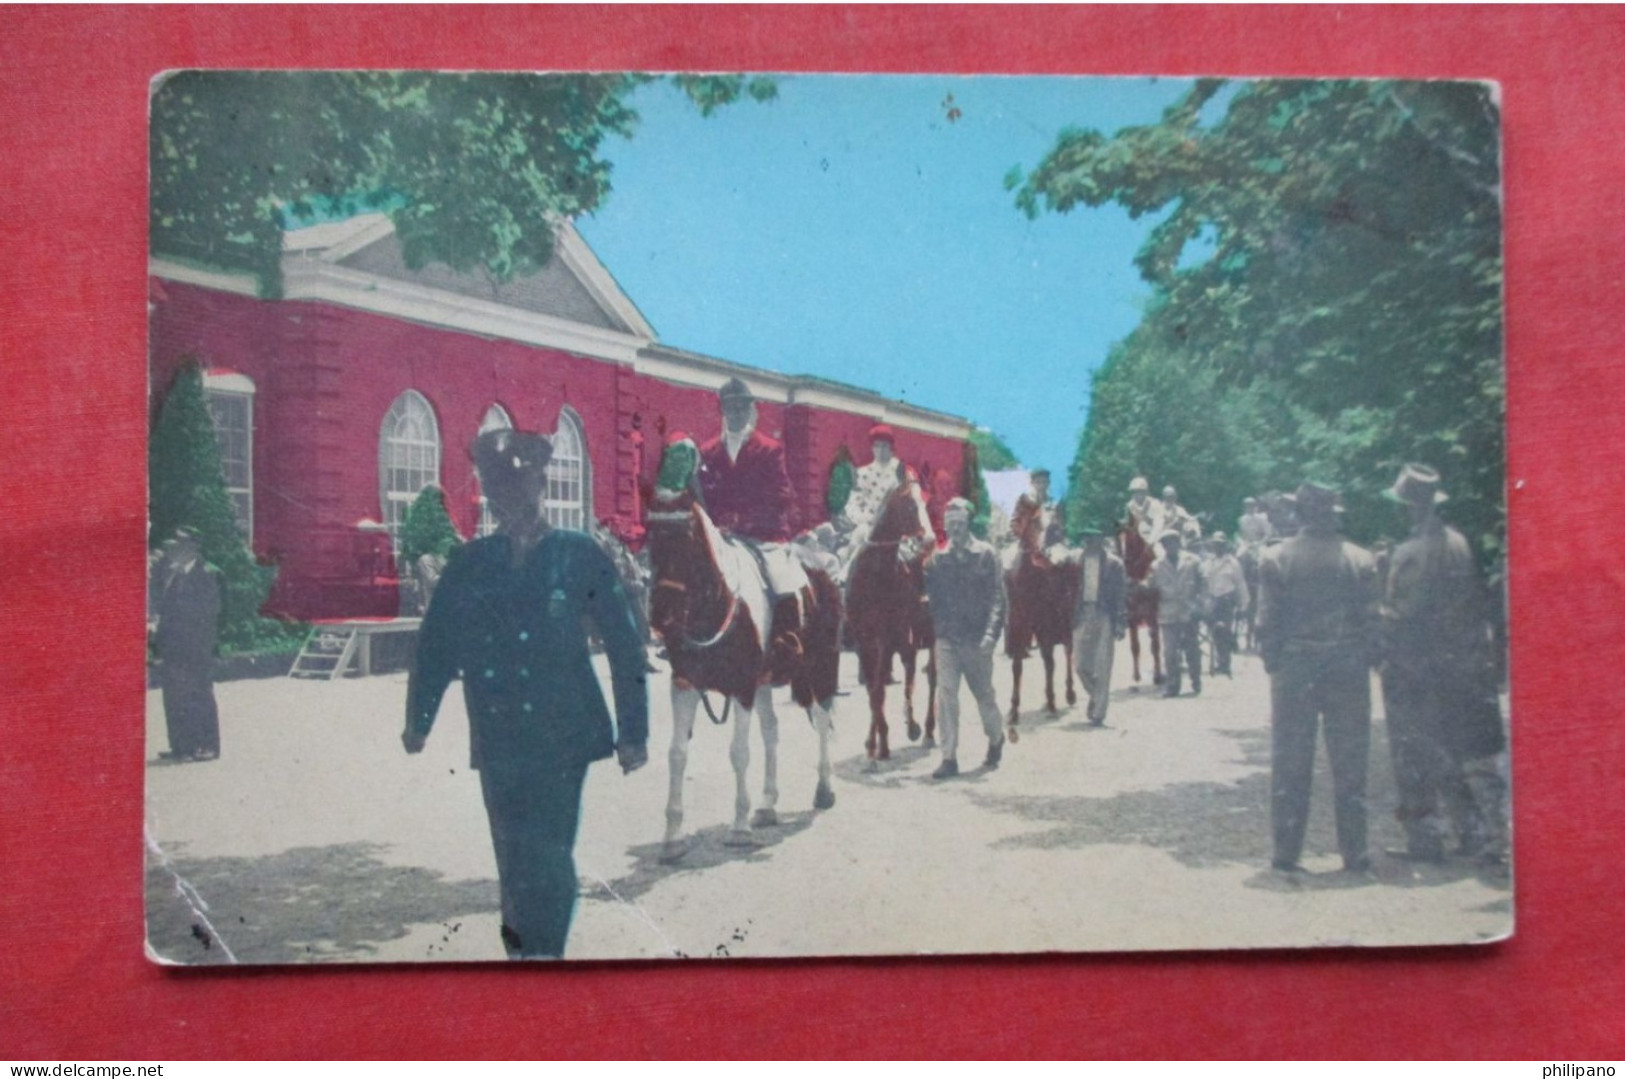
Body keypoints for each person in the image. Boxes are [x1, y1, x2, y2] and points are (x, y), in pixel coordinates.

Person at [404, 428, 649, 960]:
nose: (509, 501)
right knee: (511, 856)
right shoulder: (471, 563)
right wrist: (419, 718)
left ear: (540, 485)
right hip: (497, 734)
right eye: (499, 492)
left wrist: (634, 733)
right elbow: (436, 643)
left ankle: (544, 959)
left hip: (564, 734)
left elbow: (625, 645)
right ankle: (522, 956)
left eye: (520, 489)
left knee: (550, 853)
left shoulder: (579, 555)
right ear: (490, 497)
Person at [1380, 464, 1507, 864]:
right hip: (1459, 663)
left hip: (1416, 666)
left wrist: (1375, 610)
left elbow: (1405, 614)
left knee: (1413, 755)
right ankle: (1471, 834)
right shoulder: (1458, 542)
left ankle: (1425, 841)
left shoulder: (1410, 552)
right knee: (1455, 750)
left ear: (1408, 507)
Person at [1256, 481, 1381, 875]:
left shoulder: (1275, 557)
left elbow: (1267, 623)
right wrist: (1364, 658)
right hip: (1347, 665)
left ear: (1299, 513)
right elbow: (1372, 621)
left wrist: (1275, 662)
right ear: (1333, 512)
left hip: (1295, 668)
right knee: (1350, 761)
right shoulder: (1362, 559)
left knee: (1291, 760)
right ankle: (1355, 852)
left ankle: (1287, 852)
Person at [923, 498, 1007, 779]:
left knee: (984, 697)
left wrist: (990, 636)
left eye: (960, 523)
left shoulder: (986, 554)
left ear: (968, 523)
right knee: (946, 695)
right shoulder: (938, 558)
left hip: (977, 641)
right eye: (950, 524)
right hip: (947, 639)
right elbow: (928, 596)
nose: (955, 529)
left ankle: (996, 739)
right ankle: (948, 758)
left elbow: (998, 598)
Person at [150, 527, 222, 762]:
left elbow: (210, 614)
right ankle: (181, 745)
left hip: (196, 648)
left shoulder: (208, 573)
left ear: (192, 547)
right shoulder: (173, 574)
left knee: (199, 695)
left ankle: (206, 745)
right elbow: (165, 610)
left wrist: (202, 646)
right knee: (173, 696)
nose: (174, 550)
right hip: (173, 648)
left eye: (179, 545)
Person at [842, 423, 934, 560]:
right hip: (869, 527)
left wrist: (927, 530)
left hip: (899, 529)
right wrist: (866, 520)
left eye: (884, 446)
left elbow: (917, 503)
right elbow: (852, 505)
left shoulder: (903, 472)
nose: (880, 450)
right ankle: (844, 576)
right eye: (877, 446)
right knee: (856, 545)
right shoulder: (862, 474)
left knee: (914, 558)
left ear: (891, 447)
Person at [1066, 525, 1127, 725]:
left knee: (1103, 665)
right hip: (1082, 614)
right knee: (1081, 665)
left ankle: (1098, 713)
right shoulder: (1075, 561)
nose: (1091, 542)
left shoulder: (1114, 564)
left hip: (1104, 615)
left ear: (1102, 540)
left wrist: (1120, 622)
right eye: (1088, 538)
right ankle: (1096, 695)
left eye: (1096, 538)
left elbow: (1121, 596)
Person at [1150, 530, 1206, 698]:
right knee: (1170, 652)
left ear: (1179, 543)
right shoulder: (1156, 565)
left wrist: (1200, 604)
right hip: (1168, 613)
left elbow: (1203, 583)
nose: (1170, 546)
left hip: (1189, 611)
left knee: (1192, 649)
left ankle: (1196, 680)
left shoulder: (1193, 561)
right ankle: (1173, 686)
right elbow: (1151, 588)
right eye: (1166, 543)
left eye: (1173, 542)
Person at [1204, 532, 1250, 677]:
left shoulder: (1232, 562)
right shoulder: (1208, 562)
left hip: (1226, 600)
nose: (1218, 547)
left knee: (1224, 631)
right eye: (1215, 544)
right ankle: (1220, 661)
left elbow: (1240, 583)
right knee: (1214, 632)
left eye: (1220, 544)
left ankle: (1225, 663)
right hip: (1212, 600)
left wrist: (1244, 605)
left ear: (1225, 546)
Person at [1011, 469, 1065, 554]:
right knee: (1012, 558)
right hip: (1026, 540)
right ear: (1032, 483)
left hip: (1050, 542)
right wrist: (1018, 535)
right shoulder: (1024, 501)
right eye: (1038, 482)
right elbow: (1016, 520)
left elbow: (1060, 524)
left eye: (1044, 482)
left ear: (1048, 484)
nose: (1041, 486)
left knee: (1062, 558)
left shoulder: (1054, 503)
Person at [1124, 475, 1165, 542]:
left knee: (1160, 551)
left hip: (1155, 537)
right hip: (1138, 538)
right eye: (1134, 492)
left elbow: (1158, 526)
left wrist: (1150, 541)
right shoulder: (1130, 506)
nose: (1136, 495)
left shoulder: (1155, 504)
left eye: (1139, 492)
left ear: (1145, 492)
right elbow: (1130, 526)